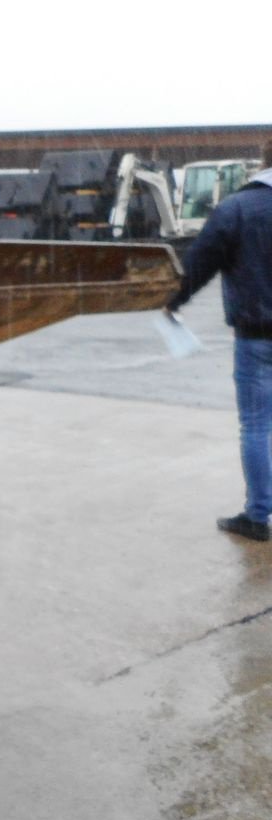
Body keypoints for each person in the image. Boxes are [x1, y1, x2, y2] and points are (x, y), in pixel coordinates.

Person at [165, 149, 272, 541]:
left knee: (259, 426)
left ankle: (258, 516)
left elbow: (199, 263)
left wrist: (174, 301)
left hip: (256, 335)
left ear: (262, 165)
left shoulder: (237, 209)